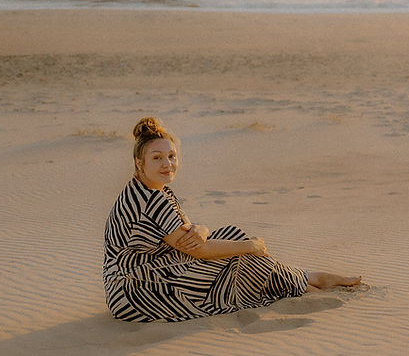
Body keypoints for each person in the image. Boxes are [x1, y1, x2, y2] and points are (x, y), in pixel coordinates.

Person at [103, 117, 361, 322]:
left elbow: (191, 236)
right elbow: (199, 250)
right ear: (139, 162)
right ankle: (307, 284)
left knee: (230, 237)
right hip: (138, 292)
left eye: (171, 156)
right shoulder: (151, 199)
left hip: (150, 274)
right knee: (240, 253)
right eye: (157, 158)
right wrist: (251, 245)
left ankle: (304, 281)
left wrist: (203, 229)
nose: (167, 164)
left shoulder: (150, 189)